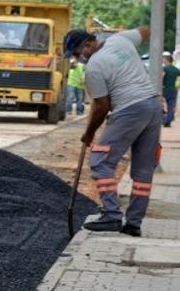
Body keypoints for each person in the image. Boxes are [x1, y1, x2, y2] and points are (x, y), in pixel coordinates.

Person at [66, 26, 164, 237]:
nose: (78, 58)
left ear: (89, 44)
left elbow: (102, 106)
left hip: (130, 109)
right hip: (153, 107)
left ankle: (111, 216)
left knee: (100, 161)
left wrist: (89, 134)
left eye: (77, 52)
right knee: (143, 170)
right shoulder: (121, 40)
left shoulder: (94, 67)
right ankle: (133, 224)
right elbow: (146, 30)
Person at [162, 52, 179, 127]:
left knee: (160, 104)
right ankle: (168, 120)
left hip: (165, 88)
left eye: (163, 59)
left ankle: (165, 120)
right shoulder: (176, 69)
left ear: (166, 59)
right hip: (173, 89)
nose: (162, 60)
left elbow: (161, 77)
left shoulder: (165, 68)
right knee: (171, 106)